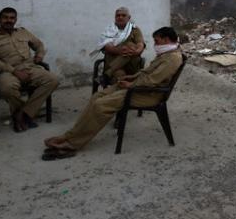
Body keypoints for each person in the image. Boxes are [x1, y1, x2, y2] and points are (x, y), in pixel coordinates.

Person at [43, 27, 182, 159]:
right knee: (97, 96)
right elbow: (147, 73)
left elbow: (152, 80)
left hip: (147, 94)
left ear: (166, 40)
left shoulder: (173, 58)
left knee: (100, 105)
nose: (155, 44)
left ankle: (73, 144)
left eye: (157, 41)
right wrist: (130, 78)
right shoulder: (166, 54)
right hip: (139, 87)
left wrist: (131, 85)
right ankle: (70, 135)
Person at [0, 7, 60, 132]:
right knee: (7, 88)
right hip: (8, 71)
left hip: (30, 67)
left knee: (53, 79)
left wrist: (39, 55)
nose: (9, 20)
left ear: (16, 19)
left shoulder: (23, 32)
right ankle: (24, 113)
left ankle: (22, 114)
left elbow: (39, 44)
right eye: (5, 18)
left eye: (12, 18)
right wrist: (14, 71)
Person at [91, 7, 146, 86]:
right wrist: (119, 50)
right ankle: (118, 96)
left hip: (131, 65)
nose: (120, 17)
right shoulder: (109, 30)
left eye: (123, 15)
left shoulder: (135, 29)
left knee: (130, 45)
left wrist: (137, 51)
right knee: (119, 76)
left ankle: (106, 75)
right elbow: (106, 46)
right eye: (118, 15)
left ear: (129, 18)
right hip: (114, 64)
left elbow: (140, 43)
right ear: (115, 17)